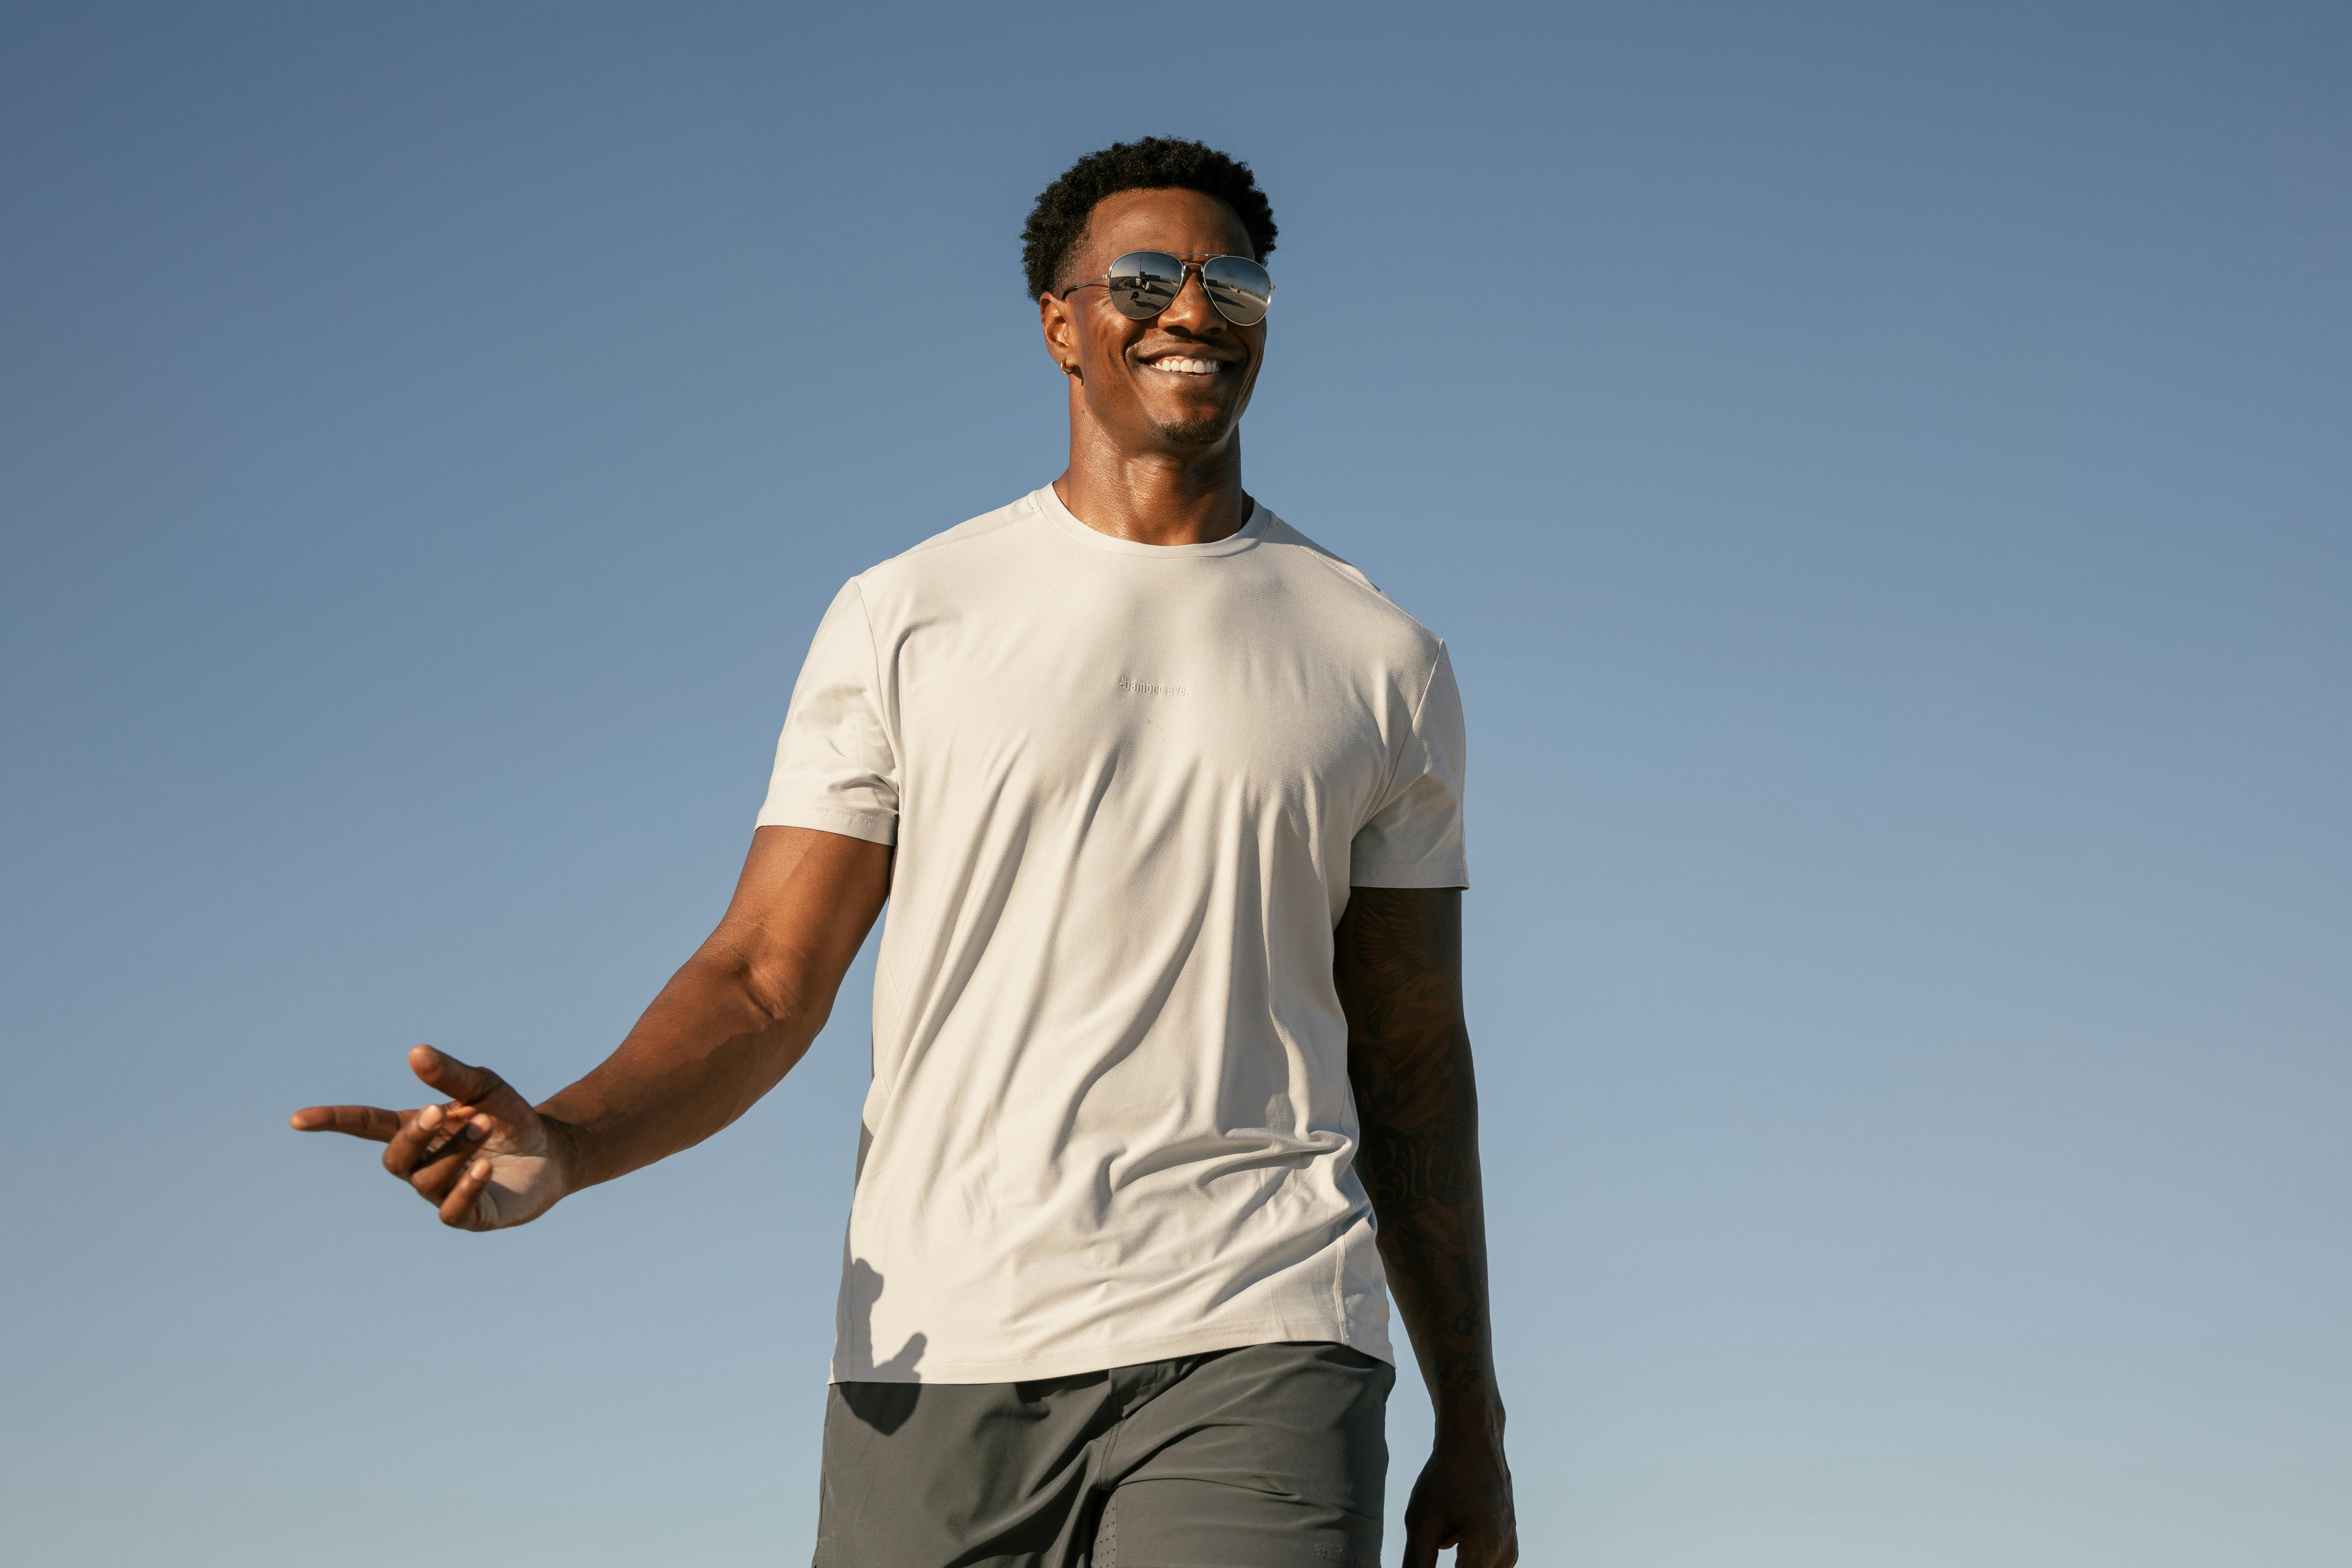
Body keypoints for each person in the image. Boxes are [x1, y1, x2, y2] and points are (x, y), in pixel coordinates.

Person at [292, 137, 1518, 1568]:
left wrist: (1474, 1425)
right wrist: (567, 1141)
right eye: (1144, 279)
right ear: (1062, 324)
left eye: (1230, 280)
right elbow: (762, 977)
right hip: (936, 1345)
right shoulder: (910, 613)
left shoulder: (1383, 658)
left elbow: (1416, 1054)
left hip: (1262, 1328)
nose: (1193, 310)